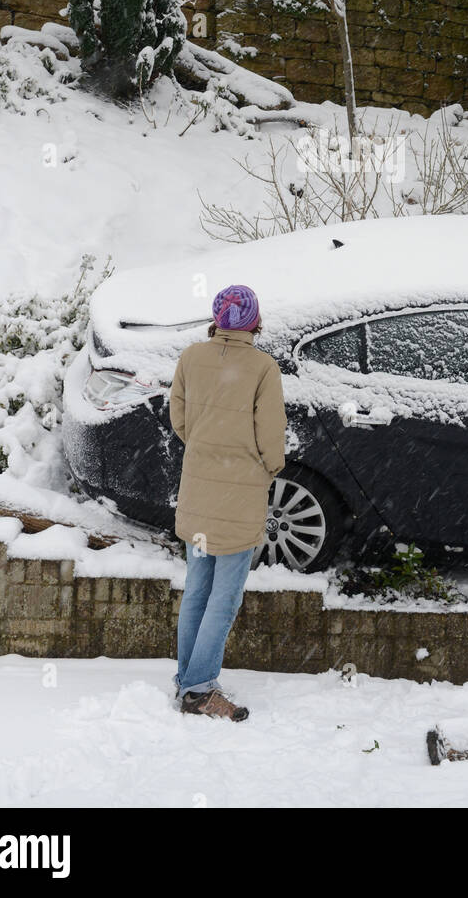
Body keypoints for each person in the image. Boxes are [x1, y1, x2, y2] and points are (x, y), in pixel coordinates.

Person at [169, 284, 286, 720]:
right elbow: (271, 436)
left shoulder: (190, 358)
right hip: (239, 499)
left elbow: (179, 419)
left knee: (197, 589)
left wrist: (205, 448)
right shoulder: (262, 368)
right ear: (255, 321)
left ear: (217, 320)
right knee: (224, 597)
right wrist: (266, 467)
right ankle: (199, 690)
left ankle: (188, 680)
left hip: (198, 494)